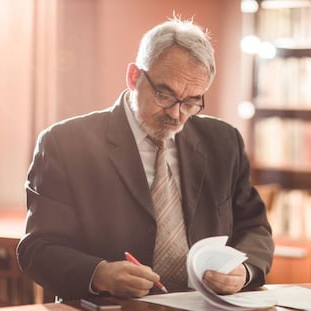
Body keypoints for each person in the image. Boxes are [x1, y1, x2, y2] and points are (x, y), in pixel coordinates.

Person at [17, 16, 274, 300]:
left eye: (191, 102)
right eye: (165, 95)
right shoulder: (64, 144)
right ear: (134, 77)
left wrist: (245, 269)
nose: (177, 114)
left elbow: (255, 228)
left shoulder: (224, 141)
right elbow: (37, 249)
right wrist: (99, 274)